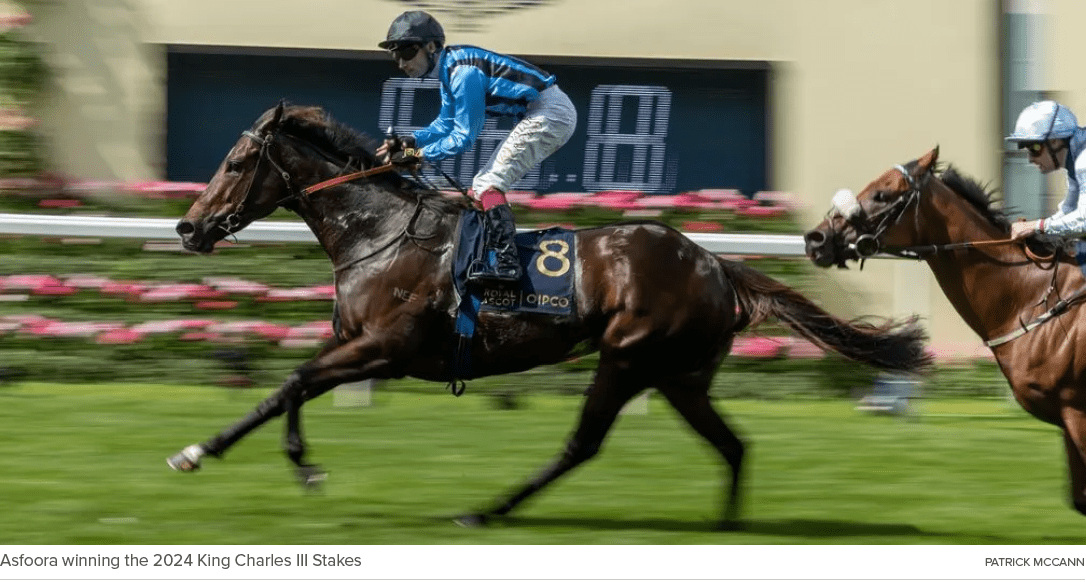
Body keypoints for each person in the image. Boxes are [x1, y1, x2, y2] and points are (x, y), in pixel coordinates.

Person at [375, 10, 578, 283]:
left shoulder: (462, 72)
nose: (401, 63)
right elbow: (445, 123)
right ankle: (494, 255)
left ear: (431, 46)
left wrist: (414, 154)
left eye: (407, 53)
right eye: (395, 55)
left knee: (487, 184)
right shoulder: (450, 68)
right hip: (543, 111)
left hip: (550, 113)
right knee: (480, 187)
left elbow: (463, 138)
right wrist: (410, 141)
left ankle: (508, 263)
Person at [1005, 100, 1086, 241]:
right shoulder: (1075, 159)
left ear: (1055, 141)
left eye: (1034, 148)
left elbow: (1083, 222)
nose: (1030, 159)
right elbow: (1069, 210)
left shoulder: (1083, 160)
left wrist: (1037, 226)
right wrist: (1035, 227)